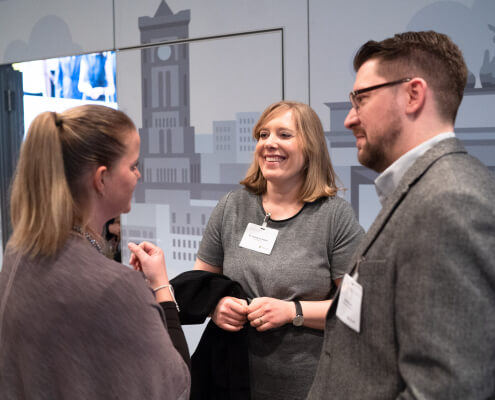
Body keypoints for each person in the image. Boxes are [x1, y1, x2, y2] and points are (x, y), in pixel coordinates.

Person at [307, 31, 495, 399]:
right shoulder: (424, 189)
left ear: (413, 95)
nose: (349, 119)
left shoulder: (450, 200)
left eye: (361, 99)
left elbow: (447, 390)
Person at [0, 105, 190, 399]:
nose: (138, 175)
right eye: (133, 166)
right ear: (101, 179)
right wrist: (161, 288)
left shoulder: (18, 257)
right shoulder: (118, 287)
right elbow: (175, 388)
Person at [194, 100, 364, 399]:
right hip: (232, 379)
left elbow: (358, 308)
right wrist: (215, 307)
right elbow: (201, 282)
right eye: (263, 135)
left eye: (284, 135)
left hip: (307, 386)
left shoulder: (334, 216)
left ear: (310, 148)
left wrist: (292, 311)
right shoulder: (232, 206)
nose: (269, 143)